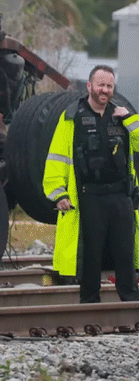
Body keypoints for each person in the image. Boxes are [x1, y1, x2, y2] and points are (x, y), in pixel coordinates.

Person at [43, 65, 139, 303]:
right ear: (89, 86)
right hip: (89, 196)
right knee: (90, 256)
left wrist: (131, 119)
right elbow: (56, 158)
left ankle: (130, 302)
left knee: (126, 253)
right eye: (100, 85)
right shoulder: (72, 117)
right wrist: (59, 194)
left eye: (109, 86)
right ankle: (89, 303)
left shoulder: (123, 117)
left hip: (120, 196)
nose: (104, 90)